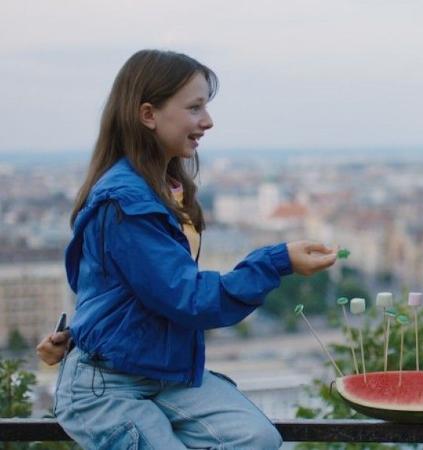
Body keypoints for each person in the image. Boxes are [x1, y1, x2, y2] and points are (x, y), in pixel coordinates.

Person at [42, 49, 337, 449]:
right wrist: (276, 261)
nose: (208, 121)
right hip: (106, 386)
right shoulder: (127, 202)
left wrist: (77, 333)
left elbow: (118, 288)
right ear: (149, 115)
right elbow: (188, 298)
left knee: (256, 438)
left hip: (163, 373)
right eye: (195, 107)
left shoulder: (163, 187)